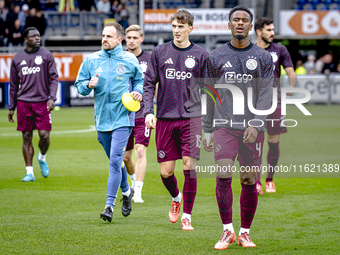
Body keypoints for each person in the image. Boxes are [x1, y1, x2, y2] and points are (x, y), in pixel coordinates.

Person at [202, 6, 273, 249]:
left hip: (252, 128)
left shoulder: (263, 57)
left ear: (251, 26)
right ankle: (227, 230)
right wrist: (207, 128)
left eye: (245, 20)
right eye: (236, 20)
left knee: (248, 179)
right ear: (229, 25)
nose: (240, 23)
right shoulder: (216, 56)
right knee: (223, 173)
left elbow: (266, 93)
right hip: (224, 125)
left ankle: (245, 232)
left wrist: (256, 123)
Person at [143, 10, 208, 231]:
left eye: (181, 26)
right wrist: (148, 111)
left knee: (189, 166)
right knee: (166, 172)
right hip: (164, 119)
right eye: (174, 26)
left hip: (192, 118)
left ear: (191, 28)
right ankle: (177, 197)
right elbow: (149, 83)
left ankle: (187, 216)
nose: (177, 30)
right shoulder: (159, 52)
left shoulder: (201, 55)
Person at [74, 23, 144, 222]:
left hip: (123, 118)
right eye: (103, 35)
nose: (104, 39)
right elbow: (80, 86)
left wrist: (137, 91)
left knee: (115, 161)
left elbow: (140, 80)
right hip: (102, 119)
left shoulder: (129, 59)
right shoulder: (91, 60)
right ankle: (127, 191)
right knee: (115, 161)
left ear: (119, 40)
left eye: (109, 36)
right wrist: (88, 85)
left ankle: (109, 206)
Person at [8, 27, 59, 182]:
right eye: (33, 36)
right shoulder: (17, 58)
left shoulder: (46, 55)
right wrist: (12, 107)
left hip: (43, 102)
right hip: (24, 103)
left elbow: (54, 78)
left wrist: (52, 98)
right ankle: (29, 172)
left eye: (38, 36)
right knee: (26, 136)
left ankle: (42, 157)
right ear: (26, 39)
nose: (37, 38)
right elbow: (13, 85)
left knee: (44, 136)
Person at [254, 17, 297, 195]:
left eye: (273, 30)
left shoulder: (280, 49)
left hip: (275, 101)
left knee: (273, 142)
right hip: (253, 103)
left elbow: (290, 72)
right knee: (256, 143)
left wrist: (292, 86)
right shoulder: (249, 51)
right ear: (259, 32)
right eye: (269, 30)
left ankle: (269, 179)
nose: (272, 33)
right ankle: (256, 182)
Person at [123, 24, 151, 203]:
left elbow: (155, 84)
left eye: (135, 38)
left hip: (142, 113)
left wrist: (151, 109)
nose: (132, 41)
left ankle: (138, 192)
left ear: (141, 39)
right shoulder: (120, 58)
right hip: (123, 114)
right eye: (129, 38)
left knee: (140, 152)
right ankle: (133, 181)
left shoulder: (150, 59)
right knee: (126, 157)